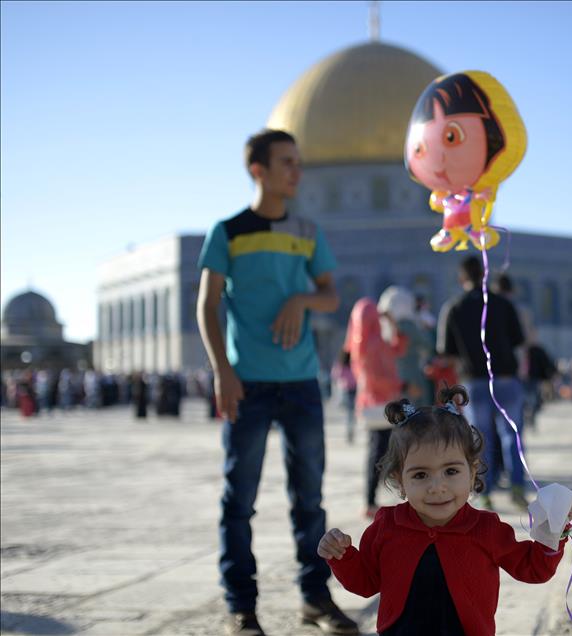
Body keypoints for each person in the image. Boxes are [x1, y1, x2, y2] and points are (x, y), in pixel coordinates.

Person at [196, 129, 357, 636]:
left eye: (298, 162)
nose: (297, 171)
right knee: (238, 500)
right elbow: (206, 305)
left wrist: (300, 300)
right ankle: (241, 606)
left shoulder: (308, 231)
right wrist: (223, 370)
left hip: (301, 386)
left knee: (309, 499)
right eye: (287, 162)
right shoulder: (229, 231)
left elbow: (330, 296)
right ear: (257, 169)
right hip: (248, 385)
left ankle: (315, 598)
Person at [317, 385, 572, 636]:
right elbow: (365, 583)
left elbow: (533, 568)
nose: (437, 487)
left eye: (451, 471)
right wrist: (343, 556)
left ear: (472, 471)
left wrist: (552, 532)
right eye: (420, 475)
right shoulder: (387, 525)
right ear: (400, 481)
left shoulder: (486, 528)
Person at [437, 256, 526, 511]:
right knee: (512, 435)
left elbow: (446, 352)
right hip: (507, 379)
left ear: (461, 277)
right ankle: (517, 487)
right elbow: (519, 340)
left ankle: (484, 492)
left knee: (479, 440)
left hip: (473, 382)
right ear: (485, 275)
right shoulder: (502, 304)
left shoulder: (453, 307)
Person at [343, 298, 406, 519]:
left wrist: (392, 324)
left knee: (379, 451)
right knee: (379, 452)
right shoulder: (374, 342)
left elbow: (399, 347)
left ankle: (372, 498)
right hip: (382, 405)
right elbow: (380, 373)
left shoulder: (361, 342)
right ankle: (370, 500)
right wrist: (401, 386)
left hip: (374, 406)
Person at [331, 351, 357, 444]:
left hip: (346, 390)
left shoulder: (340, 365)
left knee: (349, 412)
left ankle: (349, 431)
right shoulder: (355, 363)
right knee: (352, 412)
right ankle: (351, 430)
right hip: (354, 389)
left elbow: (335, 376)